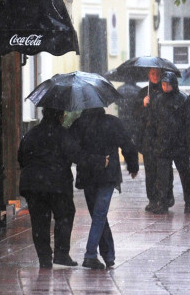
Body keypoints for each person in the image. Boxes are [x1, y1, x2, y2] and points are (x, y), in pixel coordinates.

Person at [18, 108, 106, 269]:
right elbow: (78, 156)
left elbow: (21, 157)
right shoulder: (63, 134)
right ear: (59, 115)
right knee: (64, 216)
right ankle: (61, 254)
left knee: (39, 222)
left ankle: (44, 258)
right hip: (57, 184)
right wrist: (100, 161)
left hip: (33, 185)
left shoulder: (31, 134)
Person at [70, 107, 139, 270]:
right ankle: (91, 255)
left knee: (98, 215)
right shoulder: (112, 122)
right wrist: (133, 165)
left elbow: (73, 151)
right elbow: (128, 144)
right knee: (99, 215)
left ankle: (108, 255)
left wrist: (89, 160)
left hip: (87, 176)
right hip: (108, 175)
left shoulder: (79, 125)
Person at [150, 71, 190, 214]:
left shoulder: (183, 100)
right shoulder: (158, 100)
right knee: (162, 176)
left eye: (168, 84)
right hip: (163, 142)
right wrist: (152, 139)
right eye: (163, 84)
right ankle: (163, 202)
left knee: (185, 174)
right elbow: (153, 122)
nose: (165, 87)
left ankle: (189, 202)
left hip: (179, 144)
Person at [134, 68, 174, 212]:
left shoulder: (166, 91)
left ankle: (166, 197)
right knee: (150, 170)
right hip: (148, 138)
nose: (155, 76)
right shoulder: (143, 92)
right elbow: (136, 115)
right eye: (152, 74)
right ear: (148, 75)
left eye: (158, 74)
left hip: (162, 137)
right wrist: (143, 104)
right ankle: (153, 199)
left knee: (164, 169)